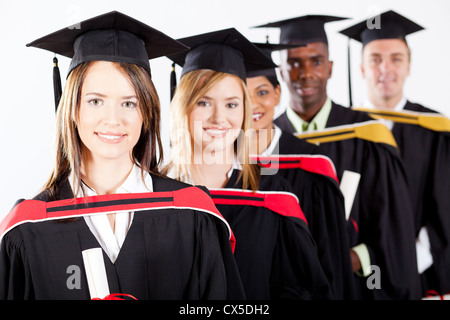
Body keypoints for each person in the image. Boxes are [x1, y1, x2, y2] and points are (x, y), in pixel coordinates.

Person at [0, 11, 245, 300]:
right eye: (95, 101)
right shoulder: (29, 227)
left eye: (129, 103)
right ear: (73, 109)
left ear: (147, 112)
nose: (113, 119)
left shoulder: (192, 214)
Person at [255, 14, 421, 299]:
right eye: (294, 63)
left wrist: (350, 258)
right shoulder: (266, 140)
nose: (305, 73)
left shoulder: (367, 135)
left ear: (330, 68)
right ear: (280, 71)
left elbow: (395, 230)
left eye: (316, 61)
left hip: (355, 287)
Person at [164, 28, 333, 299]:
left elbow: (295, 288)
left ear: (244, 110)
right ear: (182, 106)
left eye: (232, 104)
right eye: (204, 102)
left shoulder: (271, 194)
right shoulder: (152, 194)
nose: (219, 118)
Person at [340, 10, 450, 297]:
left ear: (409, 66)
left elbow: (446, 209)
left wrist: (404, 262)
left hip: (420, 275)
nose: (385, 68)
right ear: (362, 68)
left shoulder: (435, 129)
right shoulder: (340, 129)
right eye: (375, 59)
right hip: (349, 278)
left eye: (396, 59)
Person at [246, 42, 356, 299]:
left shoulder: (309, 164)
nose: (253, 104)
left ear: (277, 93)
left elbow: (330, 261)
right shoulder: (219, 167)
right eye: (240, 95)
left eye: (262, 92)